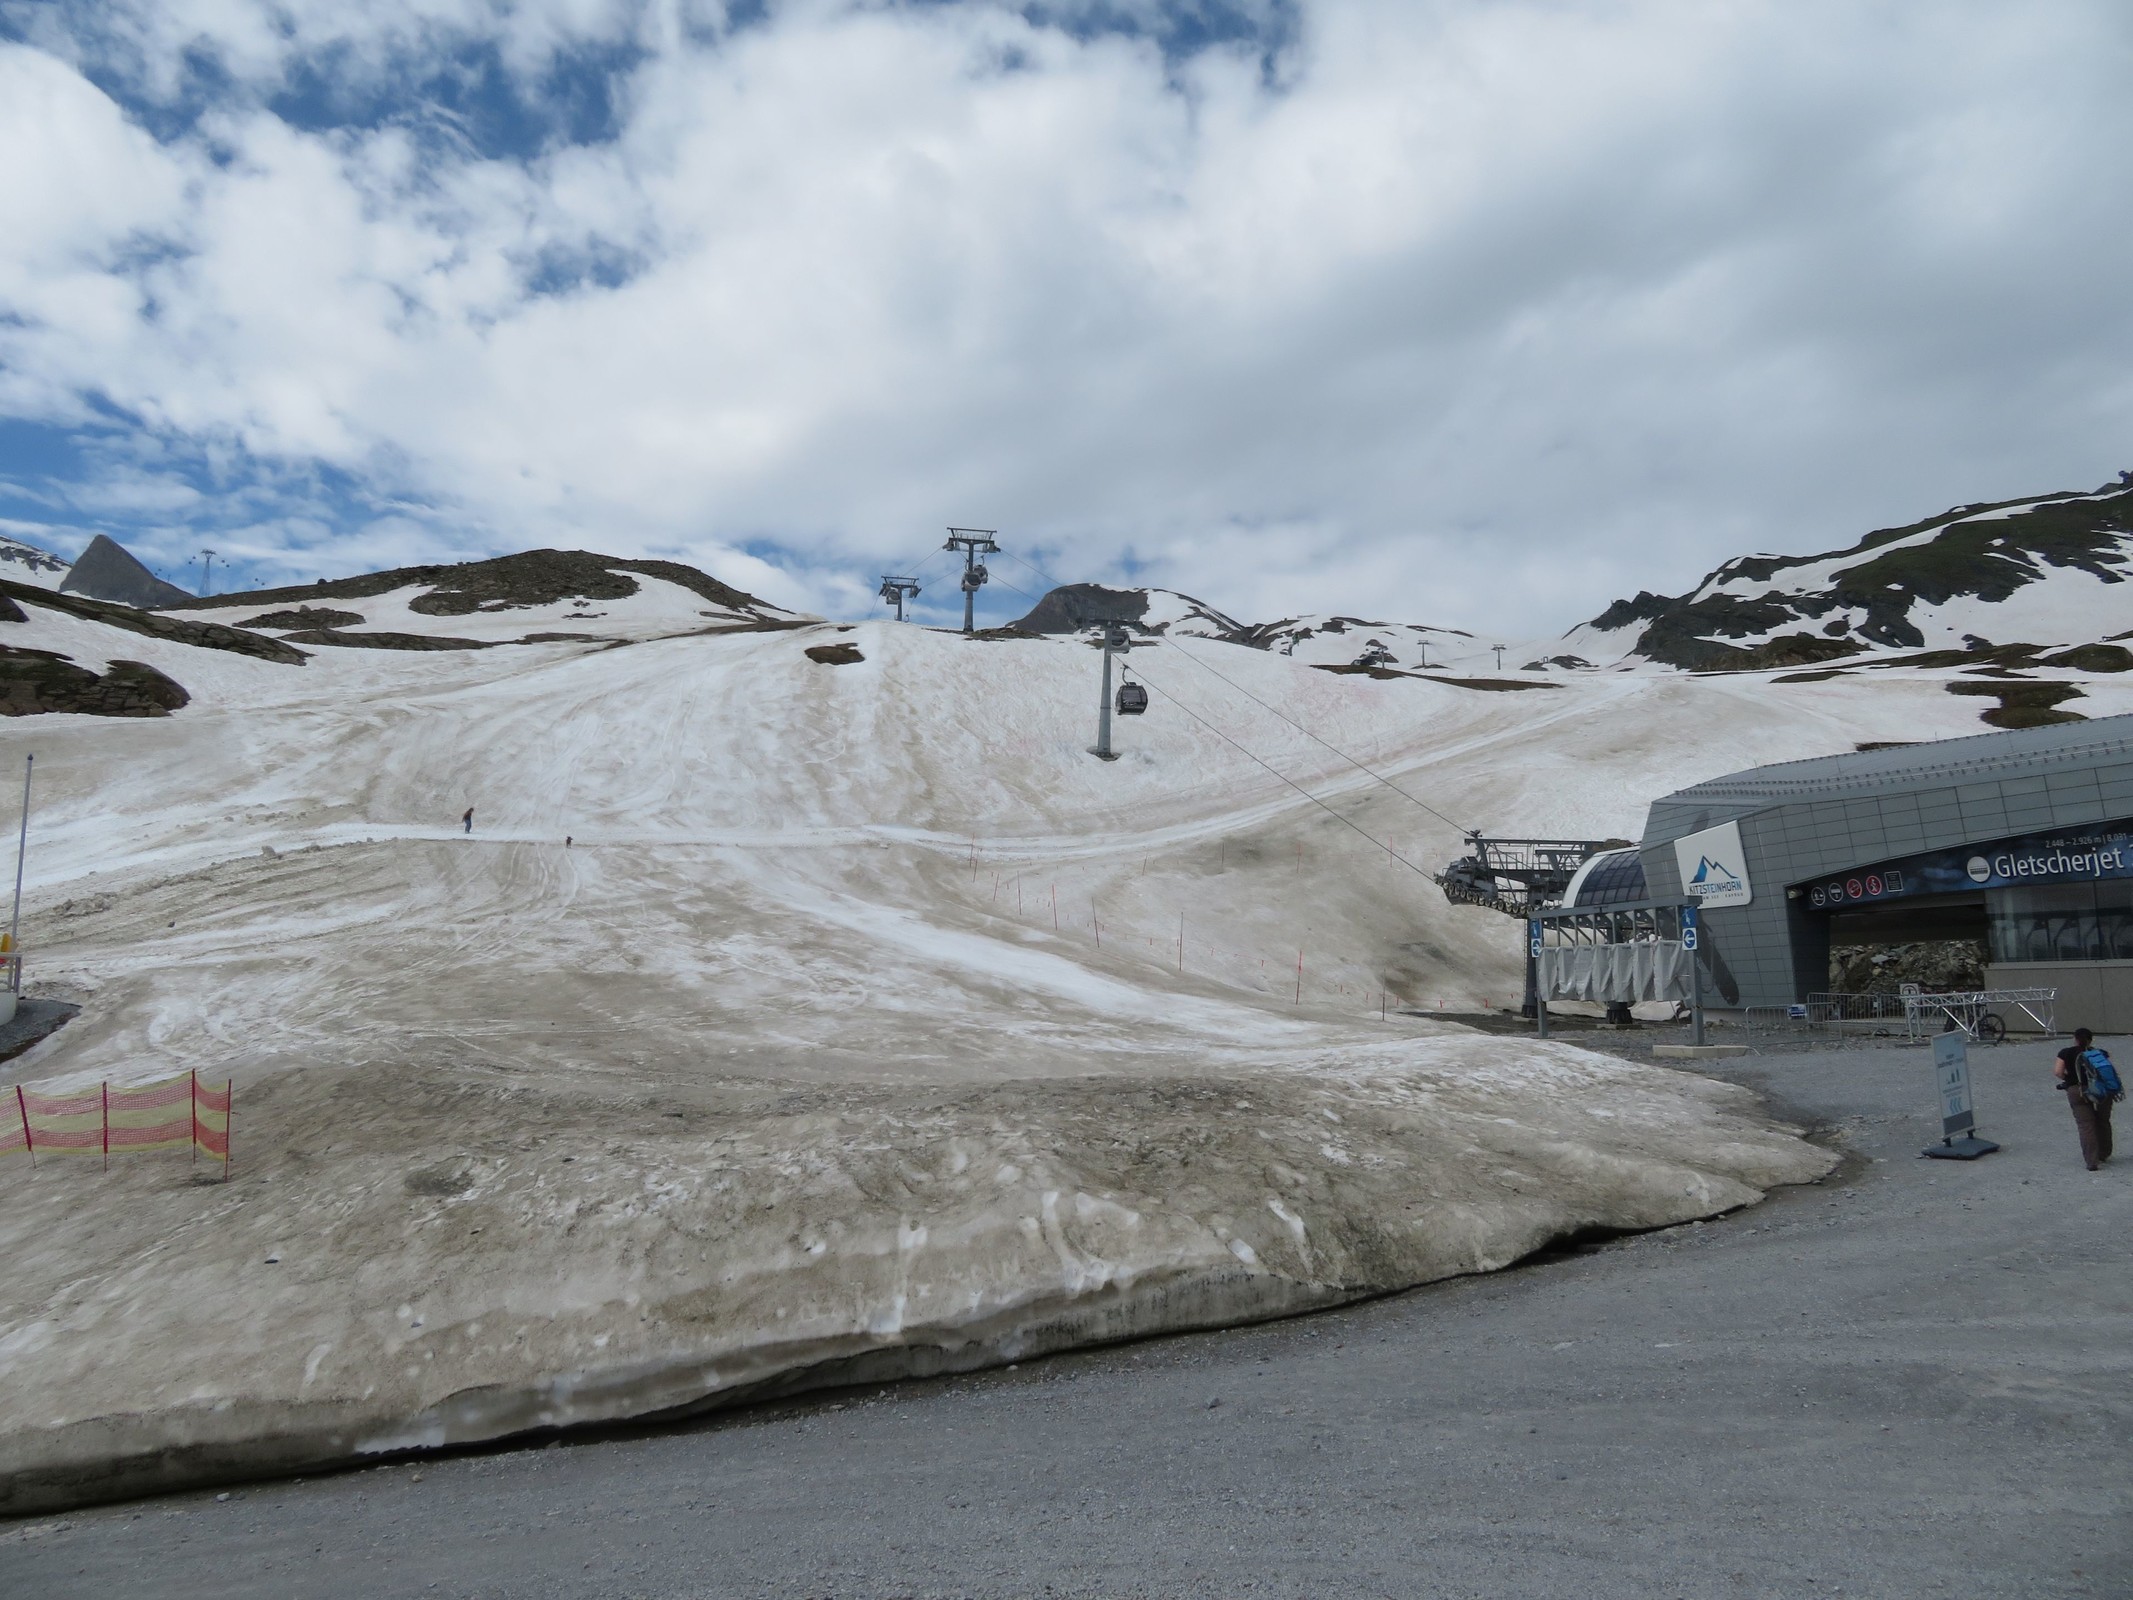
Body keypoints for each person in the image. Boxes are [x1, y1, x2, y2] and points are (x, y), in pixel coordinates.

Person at [2053, 1027, 2115, 1171]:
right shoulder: (2099, 1053)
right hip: (2102, 1091)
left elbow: (2058, 1072)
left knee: (2085, 1124)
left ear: (2075, 1039)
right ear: (2091, 1039)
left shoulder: (2065, 1053)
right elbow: (2109, 1072)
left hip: (2078, 1090)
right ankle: (2104, 1153)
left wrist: (2069, 1079)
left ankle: (2092, 1162)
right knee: (2103, 1121)